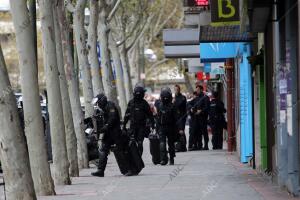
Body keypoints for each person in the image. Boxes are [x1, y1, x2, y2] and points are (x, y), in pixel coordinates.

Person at [91, 93, 123, 177]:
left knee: (121, 150)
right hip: (108, 133)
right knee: (103, 150)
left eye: (98, 103)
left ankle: (128, 168)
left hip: (115, 132)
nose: (98, 105)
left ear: (102, 100)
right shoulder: (103, 109)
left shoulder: (110, 105)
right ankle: (100, 171)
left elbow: (112, 118)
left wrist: (106, 126)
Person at [123, 85, 155, 155]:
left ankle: (139, 158)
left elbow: (150, 115)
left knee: (140, 142)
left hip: (141, 126)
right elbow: (127, 114)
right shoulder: (131, 103)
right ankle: (135, 157)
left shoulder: (144, 103)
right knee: (133, 142)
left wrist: (153, 125)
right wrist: (124, 125)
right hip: (133, 126)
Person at [156, 87, 177, 165]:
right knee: (168, 144)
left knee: (164, 144)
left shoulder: (160, 105)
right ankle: (168, 159)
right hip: (167, 127)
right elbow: (158, 117)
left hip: (166, 127)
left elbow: (158, 117)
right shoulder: (170, 105)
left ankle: (166, 159)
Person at [191, 85, 210, 150]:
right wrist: (192, 109)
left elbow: (207, 107)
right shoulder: (196, 98)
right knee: (196, 131)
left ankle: (206, 145)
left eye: (198, 90)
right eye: (196, 90)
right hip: (196, 118)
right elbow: (190, 104)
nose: (197, 91)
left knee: (204, 132)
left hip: (203, 118)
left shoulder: (205, 97)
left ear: (201, 90)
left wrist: (201, 111)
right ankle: (198, 145)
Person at [173, 85, 187, 152]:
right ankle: (179, 146)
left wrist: (174, 102)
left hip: (182, 116)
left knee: (181, 131)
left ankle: (183, 147)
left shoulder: (183, 97)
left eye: (177, 89)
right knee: (177, 132)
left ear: (179, 90)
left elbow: (179, 105)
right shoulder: (174, 97)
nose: (176, 91)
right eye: (175, 90)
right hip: (176, 117)